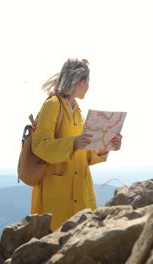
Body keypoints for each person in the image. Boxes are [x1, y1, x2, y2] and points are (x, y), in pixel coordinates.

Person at [30, 58, 122, 231]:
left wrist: (107, 144)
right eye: (88, 82)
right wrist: (73, 143)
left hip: (81, 191)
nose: (88, 87)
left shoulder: (77, 111)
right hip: (58, 194)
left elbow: (85, 152)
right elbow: (40, 146)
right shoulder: (52, 105)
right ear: (81, 82)